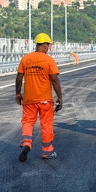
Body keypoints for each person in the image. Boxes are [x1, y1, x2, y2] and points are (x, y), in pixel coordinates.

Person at [15, 32, 63, 162]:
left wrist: (18, 93)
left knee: (27, 122)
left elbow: (19, 77)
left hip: (29, 100)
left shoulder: (26, 59)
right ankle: (47, 151)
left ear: (37, 44)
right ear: (46, 46)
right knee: (46, 125)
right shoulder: (49, 60)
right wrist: (60, 97)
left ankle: (26, 143)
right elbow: (54, 80)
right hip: (45, 100)